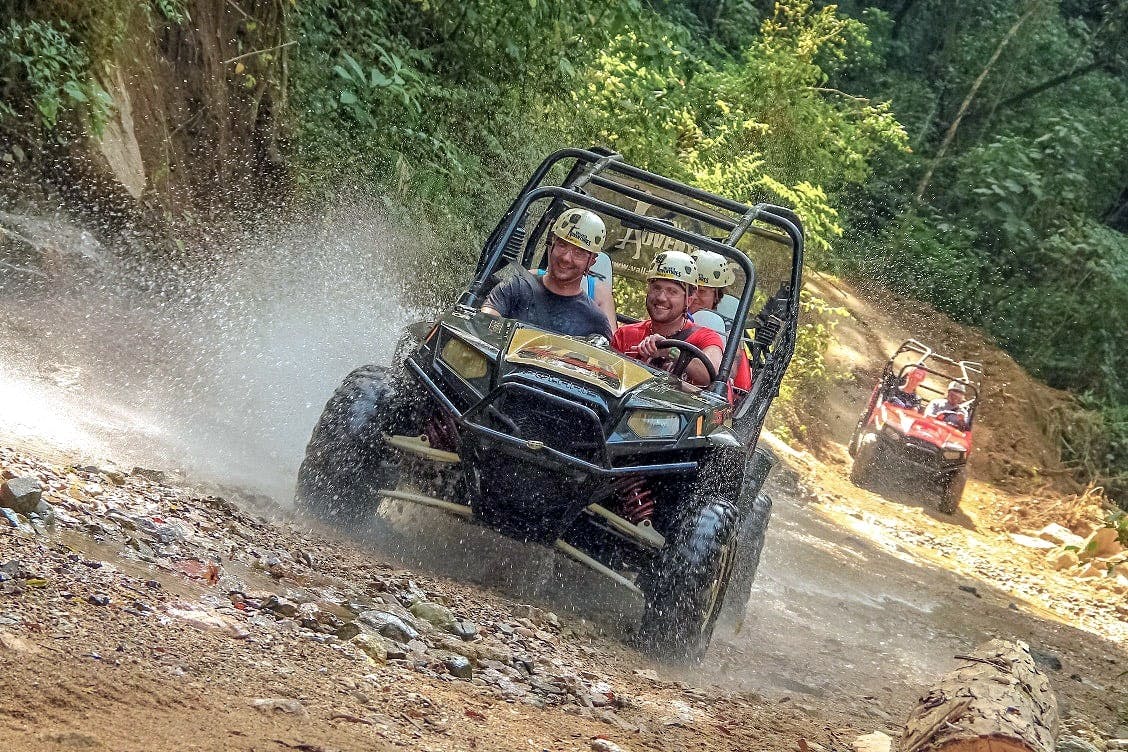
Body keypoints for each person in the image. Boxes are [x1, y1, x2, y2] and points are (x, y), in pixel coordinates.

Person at [482, 208, 613, 340]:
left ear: (591, 261)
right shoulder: (515, 288)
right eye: (562, 245)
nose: (566, 258)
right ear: (551, 244)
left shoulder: (595, 321)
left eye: (578, 253)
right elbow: (483, 325)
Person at [611, 251, 723, 388]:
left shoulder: (706, 338)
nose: (661, 298)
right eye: (656, 288)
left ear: (688, 299)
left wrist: (670, 351)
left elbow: (711, 376)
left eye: (672, 291)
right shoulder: (625, 334)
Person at [688, 250, 752, 393]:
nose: (694, 296)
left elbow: (730, 371)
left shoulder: (724, 326)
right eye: (690, 288)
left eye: (702, 291)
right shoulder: (670, 311)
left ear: (717, 295)